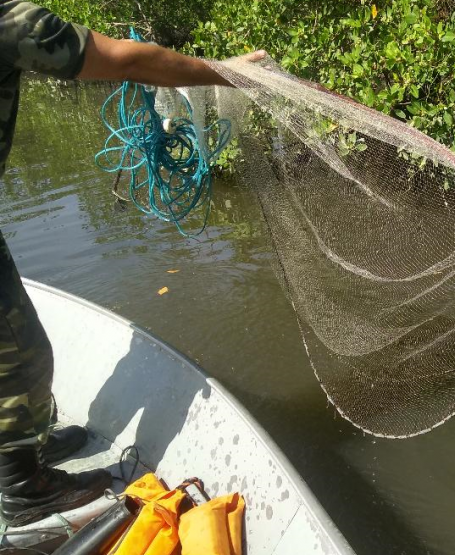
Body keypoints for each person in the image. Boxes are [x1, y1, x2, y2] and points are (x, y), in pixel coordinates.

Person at [0, 1, 263, 526]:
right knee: (20, 357)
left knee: (26, 347)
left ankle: (35, 441)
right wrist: (228, 74)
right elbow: (122, 61)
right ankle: (22, 487)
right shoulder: (8, 22)